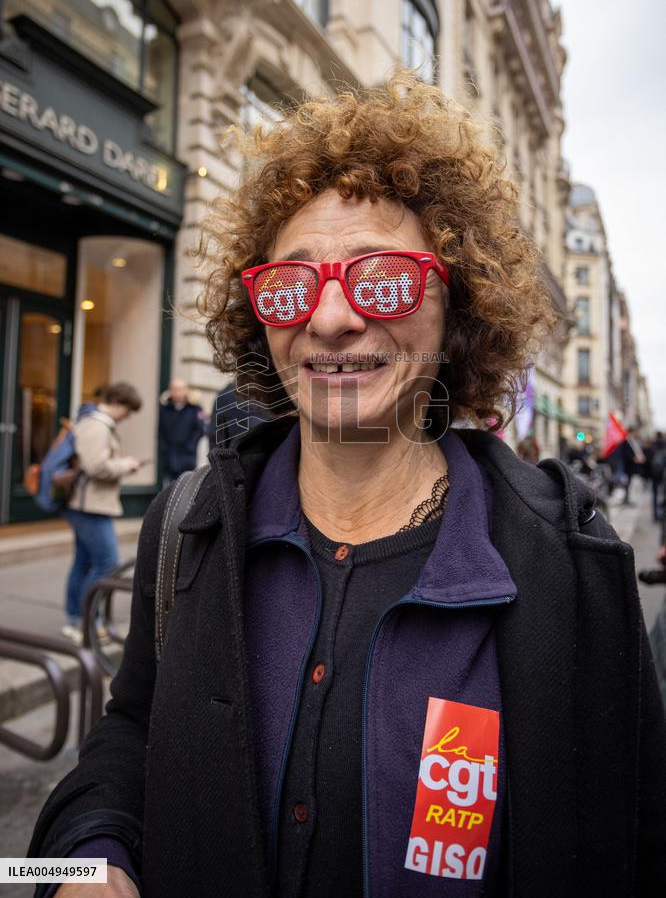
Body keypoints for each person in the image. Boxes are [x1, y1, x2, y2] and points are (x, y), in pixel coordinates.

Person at [30, 73, 666, 896]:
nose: (330, 319)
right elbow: (126, 735)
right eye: (293, 286)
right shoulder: (186, 530)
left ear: (456, 306)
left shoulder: (574, 571)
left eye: (385, 279)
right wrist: (76, 859)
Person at [61, 382, 142, 644]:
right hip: (91, 507)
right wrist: (125, 464)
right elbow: (96, 467)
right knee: (107, 564)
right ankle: (88, 621)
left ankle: (75, 621)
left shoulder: (92, 423)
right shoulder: (97, 425)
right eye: (128, 411)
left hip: (86, 505)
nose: (127, 417)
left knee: (83, 564)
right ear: (119, 404)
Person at [158, 378, 205, 484]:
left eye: (180, 389)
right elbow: (160, 431)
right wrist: (164, 449)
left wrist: (190, 447)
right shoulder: (165, 409)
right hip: (169, 457)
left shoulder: (195, 409)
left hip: (187, 458)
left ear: (186, 390)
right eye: (174, 389)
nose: (177, 392)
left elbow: (199, 430)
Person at [646, 431, 666, 522]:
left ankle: (655, 516)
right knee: (663, 495)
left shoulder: (652, 446)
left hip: (654, 475)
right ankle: (663, 514)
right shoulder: (664, 445)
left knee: (655, 495)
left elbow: (648, 461)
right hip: (663, 475)